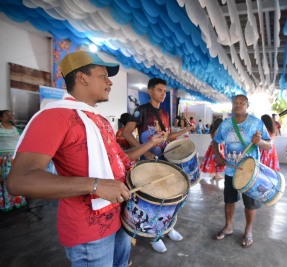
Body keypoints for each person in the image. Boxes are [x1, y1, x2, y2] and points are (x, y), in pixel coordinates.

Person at [6, 51, 166, 267]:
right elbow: (19, 180)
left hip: (121, 218)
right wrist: (96, 185)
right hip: (90, 232)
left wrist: (150, 144)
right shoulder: (53, 117)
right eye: (103, 76)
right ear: (82, 78)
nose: (109, 83)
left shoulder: (98, 120)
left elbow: (118, 159)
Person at [122, 77, 195, 253]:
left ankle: (167, 226)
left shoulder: (164, 113)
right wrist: (143, 150)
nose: (162, 94)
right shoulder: (141, 110)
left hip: (163, 160)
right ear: (150, 91)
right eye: (159, 90)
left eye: (164, 91)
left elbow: (166, 137)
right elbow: (126, 132)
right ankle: (154, 235)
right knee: (152, 199)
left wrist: (185, 130)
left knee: (168, 196)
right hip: (147, 163)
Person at [211, 94, 272, 248]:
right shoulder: (225, 124)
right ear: (232, 104)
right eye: (235, 102)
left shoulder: (255, 123)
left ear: (247, 105)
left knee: (250, 204)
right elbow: (215, 141)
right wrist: (218, 156)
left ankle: (248, 231)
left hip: (249, 173)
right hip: (231, 171)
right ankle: (229, 226)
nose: (238, 105)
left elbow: (269, 145)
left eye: (242, 103)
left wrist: (260, 141)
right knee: (229, 201)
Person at [0, 110, 26, 211]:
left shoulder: (16, 129)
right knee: (7, 181)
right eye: (8, 115)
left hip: (15, 159)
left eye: (12, 115)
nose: (11, 116)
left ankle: (18, 201)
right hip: (4, 159)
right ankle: (7, 203)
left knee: (17, 180)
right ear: (1, 117)